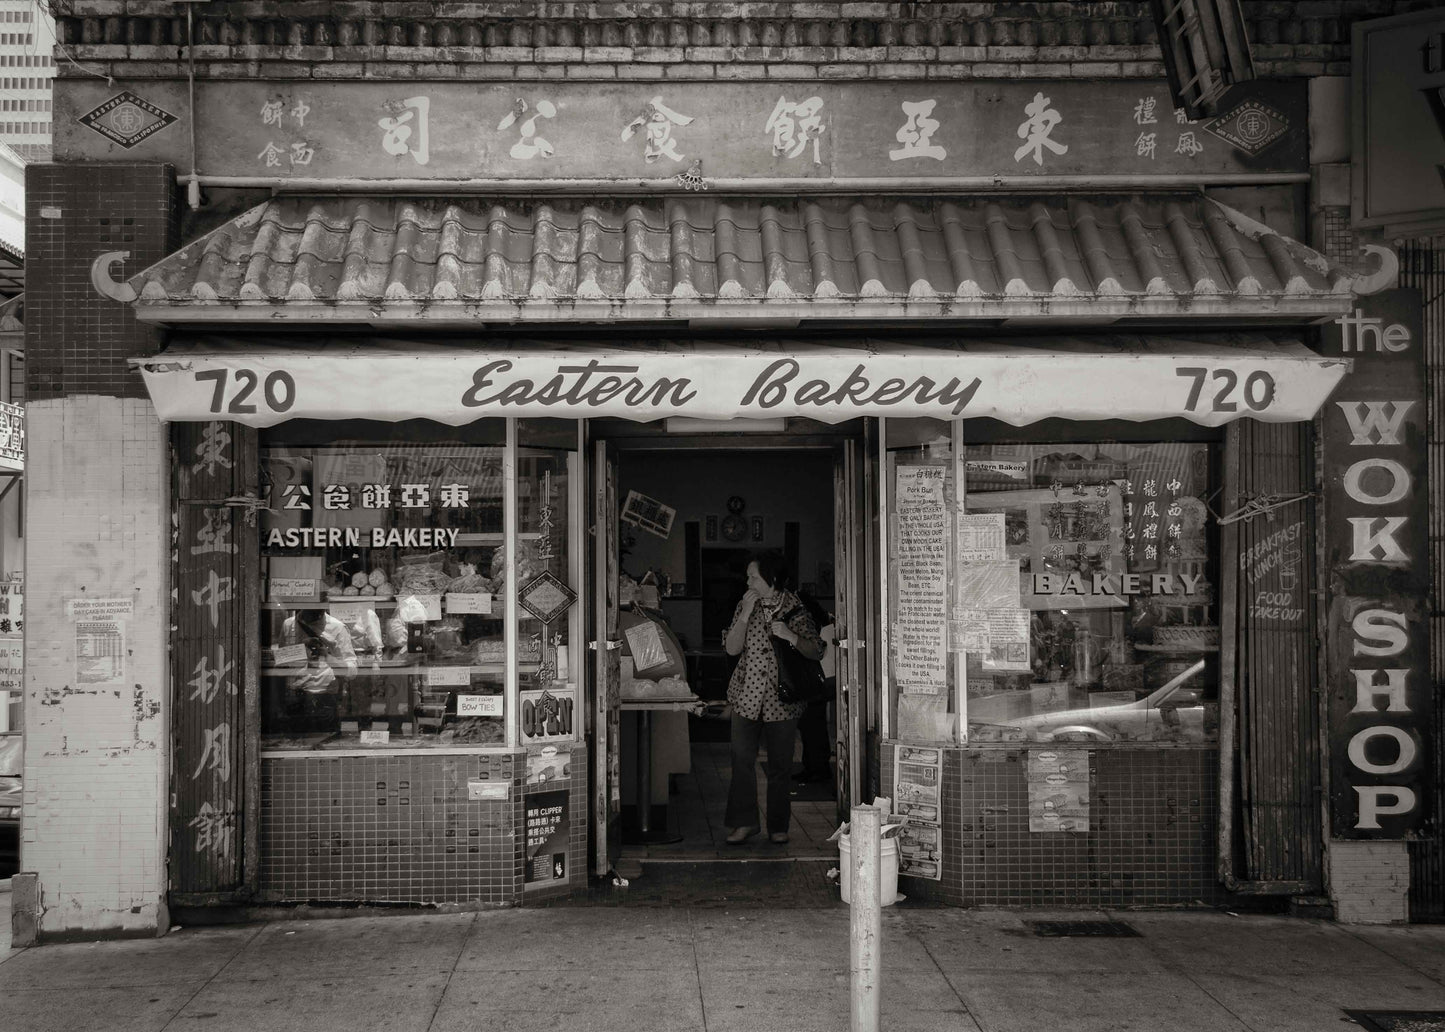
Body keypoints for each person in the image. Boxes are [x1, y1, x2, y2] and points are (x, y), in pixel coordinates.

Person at [722, 552, 824, 845]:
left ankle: (778, 826)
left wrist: (790, 636)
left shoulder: (795, 608)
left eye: (753, 576)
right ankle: (744, 824)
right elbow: (731, 649)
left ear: (772, 579)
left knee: (780, 766)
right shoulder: (746, 605)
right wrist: (743, 614)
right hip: (746, 697)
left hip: (783, 700)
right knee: (741, 761)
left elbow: (817, 649)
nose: (748, 580)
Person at [794, 592, 835, 785]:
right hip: (818, 678)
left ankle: (817, 768)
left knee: (811, 725)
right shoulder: (820, 618)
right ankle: (814, 767)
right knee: (812, 724)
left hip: (814, 679)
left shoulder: (806, 618)